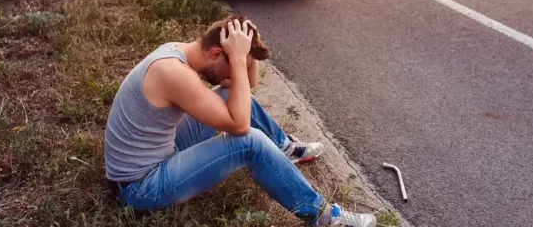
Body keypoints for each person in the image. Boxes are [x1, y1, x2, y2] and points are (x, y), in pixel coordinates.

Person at [103, 15, 377, 227]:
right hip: (140, 187)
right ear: (216, 54)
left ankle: (283, 149)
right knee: (249, 141)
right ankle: (326, 218)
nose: (238, 71)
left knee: (229, 95)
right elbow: (240, 126)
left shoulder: (179, 52)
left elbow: (247, 86)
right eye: (234, 63)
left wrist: (246, 52)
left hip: (157, 154)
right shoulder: (173, 72)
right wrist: (237, 57)